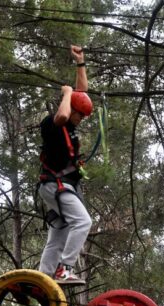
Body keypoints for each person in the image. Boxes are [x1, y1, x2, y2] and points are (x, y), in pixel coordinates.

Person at [37, 45, 93, 285]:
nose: (80, 120)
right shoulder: (53, 122)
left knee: (59, 234)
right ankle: (64, 269)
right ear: (70, 111)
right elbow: (62, 115)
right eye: (79, 115)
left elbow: (82, 91)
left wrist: (80, 63)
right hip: (54, 185)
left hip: (59, 186)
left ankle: (42, 279)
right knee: (83, 222)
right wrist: (67, 92)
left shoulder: (70, 124)